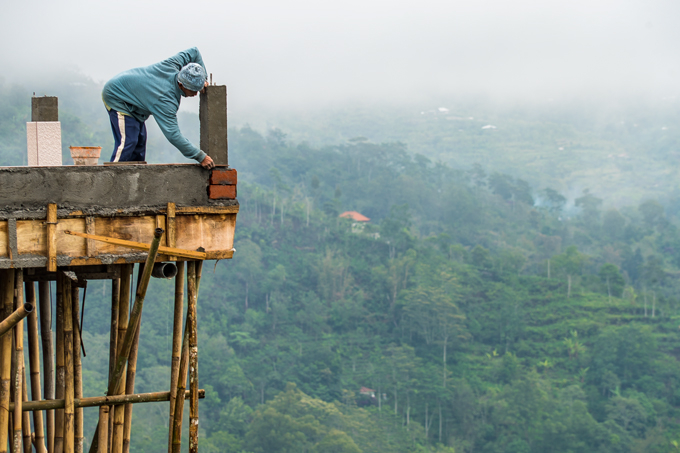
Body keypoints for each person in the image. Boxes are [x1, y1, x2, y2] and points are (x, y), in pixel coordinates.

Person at [102, 47, 215, 169]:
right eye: (193, 90)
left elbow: (194, 52)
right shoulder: (165, 100)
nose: (195, 94)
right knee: (128, 143)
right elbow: (173, 135)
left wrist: (203, 79)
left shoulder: (172, 65)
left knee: (139, 146)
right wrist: (200, 156)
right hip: (117, 96)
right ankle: (110, 179)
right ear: (181, 84)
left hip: (133, 96)